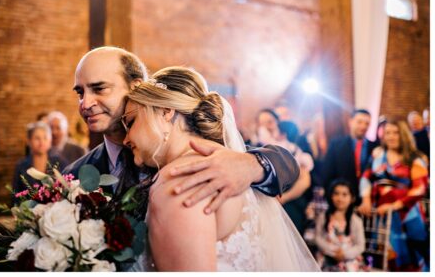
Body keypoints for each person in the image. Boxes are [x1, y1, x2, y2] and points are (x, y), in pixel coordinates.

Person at [119, 66, 317, 271]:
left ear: (166, 111)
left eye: (131, 122)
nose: (126, 139)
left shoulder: (181, 180)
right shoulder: (228, 159)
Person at [64, 47, 301, 207]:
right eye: (79, 93)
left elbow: (286, 163)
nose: (85, 103)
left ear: (135, 86)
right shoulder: (72, 176)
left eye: (99, 89)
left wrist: (251, 165)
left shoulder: (184, 144)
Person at [359, 121, 429, 271]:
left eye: (395, 132)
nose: (391, 136)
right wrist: (365, 199)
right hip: (383, 217)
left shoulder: (415, 158)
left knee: (412, 261)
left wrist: (393, 206)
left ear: (403, 134)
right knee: (384, 259)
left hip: (408, 217)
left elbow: (420, 188)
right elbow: (366, 177)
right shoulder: (377, 154)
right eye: (387, 132)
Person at [319, 109, 375, 199]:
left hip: (368, 199)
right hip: (341, 198)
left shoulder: (375, 146)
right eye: (359, 122)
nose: (363, 126)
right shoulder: (336, 145)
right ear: (351, 122)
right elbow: (327, 174)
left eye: (367, 123)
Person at [314, 179, 365, 272]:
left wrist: (344, 254)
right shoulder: (323, 217)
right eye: (336, 194)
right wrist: (333, 252)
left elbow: (360, 245)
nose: (340, 198)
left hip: (349, 257)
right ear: (331, 196)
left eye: (344, 194)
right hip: (327, 255)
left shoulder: (356, 221)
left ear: (352, 198)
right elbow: (318, 237)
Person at [11, 121, 66, 197]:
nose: (41, 142)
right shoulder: (21, 166)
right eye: (37, 138)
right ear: (29, 141)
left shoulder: (59, 162)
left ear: (50, 141)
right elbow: (16, 195)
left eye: (45, 138)